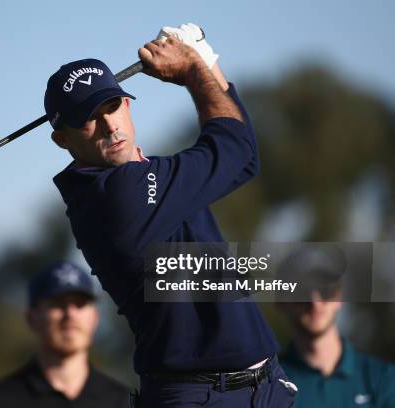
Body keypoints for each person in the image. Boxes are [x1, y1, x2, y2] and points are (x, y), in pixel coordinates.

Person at [46, 23, 296, 407]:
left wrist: (208, 65)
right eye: (88, 119)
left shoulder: (155, 180)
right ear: (62, 139)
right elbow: (235, 148)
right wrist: (196, 68)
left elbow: (243, 160)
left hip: (266, 385)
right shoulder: (115, 198)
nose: (110, 125)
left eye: (112, 106)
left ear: (127, 105)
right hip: (195, 396)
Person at [0, 261, 130, 408]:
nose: (70, 314)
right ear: (32, 318)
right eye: (58, 304)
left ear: (95, 318)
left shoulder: (123, 401)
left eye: (80, 304)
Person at [278, 247, 395, 407]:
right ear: (282, 301)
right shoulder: (269, 386)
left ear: (339, 296)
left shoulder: (383, 379)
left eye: (324, 289)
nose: (315, 302)